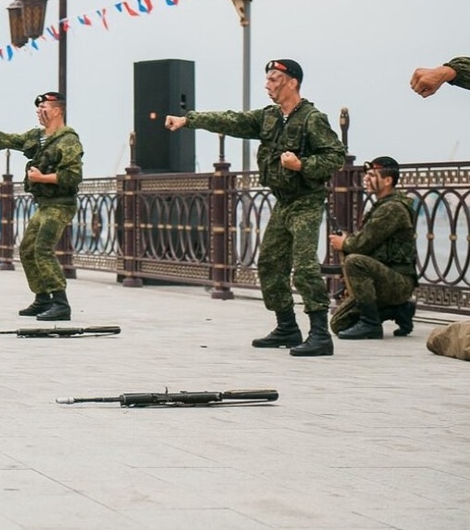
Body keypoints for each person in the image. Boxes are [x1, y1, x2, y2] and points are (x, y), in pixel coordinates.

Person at [166, 59, 345, 356]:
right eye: (267, 78)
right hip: (283, 202)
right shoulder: (269, 118)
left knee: (304, 266)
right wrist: (189, 120)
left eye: (274, 79)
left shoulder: (312, 119)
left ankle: (319, 334)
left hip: (306, 202)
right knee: (270, 263)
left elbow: (335, 156)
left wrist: (301, 164)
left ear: (292, 82)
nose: (268, 84)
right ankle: (287, 326)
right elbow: (231, 120)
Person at [0, 91, 84, 321]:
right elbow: (3, 140)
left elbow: (72, 176)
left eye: (43, 107)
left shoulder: (68, 140)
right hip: (44, 204)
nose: (39, 111)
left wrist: (41, 178)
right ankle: (43, 298)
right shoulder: (37, 137)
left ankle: (61, 304)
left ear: (57, 110)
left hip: (60, 204)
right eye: (38, 108)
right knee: (27, 249)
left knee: (42, 248)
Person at [328, 156, 419, 339]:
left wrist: (344, 243)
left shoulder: (392, 208)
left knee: (355, 261)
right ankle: (399, 310)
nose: (365, 179)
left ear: (387, 180)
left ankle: (371, 324)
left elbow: (361, 244)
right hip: (384, 278)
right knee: (339, 323)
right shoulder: (382, 205)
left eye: (371, 175)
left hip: (398, 281)